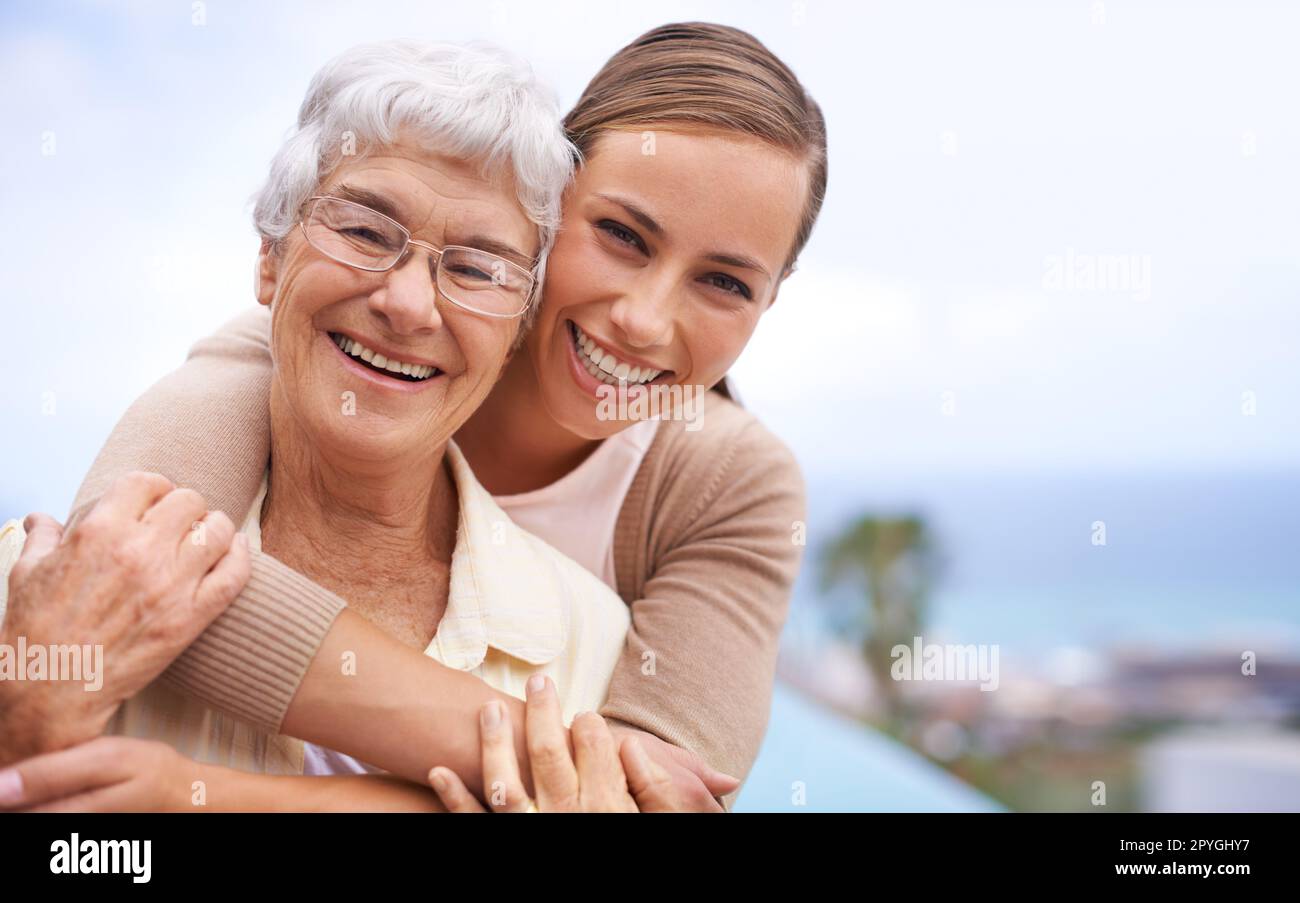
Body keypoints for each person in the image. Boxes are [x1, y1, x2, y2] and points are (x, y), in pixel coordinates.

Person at [57, 21, 828, 810]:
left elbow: (639, 800)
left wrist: (207, 798)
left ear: (772, 297)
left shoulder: (730, 483)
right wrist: (520, 741)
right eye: (622, 235)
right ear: (545, 209)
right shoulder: (333, 344)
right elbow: (122, 573)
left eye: (727, 283)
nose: (643, 317)